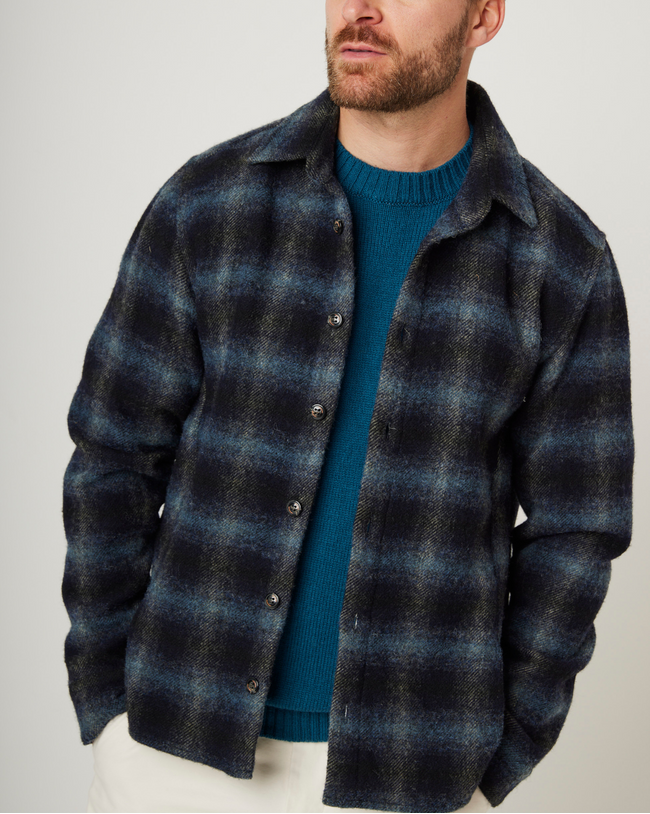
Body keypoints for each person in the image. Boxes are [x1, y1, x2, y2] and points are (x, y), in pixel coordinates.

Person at [61, 0, 634, 812]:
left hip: (414, 778)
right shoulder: (207, 207)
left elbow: (578, 533)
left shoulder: (562, 262)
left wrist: (492, 762)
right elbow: (112, 453)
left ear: (483, 18)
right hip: (170, 753)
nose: (360, 9)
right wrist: (108, 704)